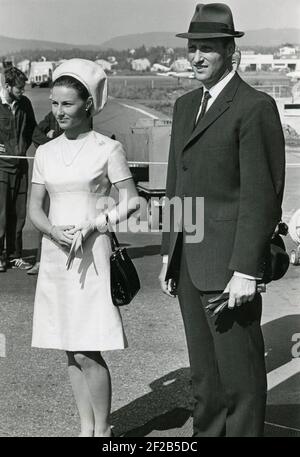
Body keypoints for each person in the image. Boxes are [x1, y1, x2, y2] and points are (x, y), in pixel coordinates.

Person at [159, 3, 285, 437]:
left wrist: (246, 269)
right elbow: (179, 182)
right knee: (204, 379)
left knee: (241, 379)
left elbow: (261, 197)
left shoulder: (254, 106)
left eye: (207, 48)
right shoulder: (183, 106)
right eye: (193, 47)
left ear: (229, 50)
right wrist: (168, 254)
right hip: (190, 264)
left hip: (232, 269)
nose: (196, 56)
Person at [29, 58, 139, 437]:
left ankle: (103, 430)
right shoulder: (44, 152)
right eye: (54, 104)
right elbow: (34, 211)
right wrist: (54, 232)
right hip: (56, 255)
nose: (58, 112)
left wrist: (95, 224)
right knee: (68, 347)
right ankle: (84, 428)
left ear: (87, 105)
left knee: (88, 348)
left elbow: (132, 201)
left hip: (92, 256)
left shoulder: (108, 148)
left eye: (67, 104)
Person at [0, 66, 36, 272]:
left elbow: (32, 129)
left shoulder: (25, 104)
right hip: (1, 167)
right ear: (7, 86)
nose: (23, 91)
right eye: (19, 88)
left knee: (19, 212)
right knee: (1, 213)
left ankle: (15, 255)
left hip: (21, 165)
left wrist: (51, 145)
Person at [27, 112, 63, 275]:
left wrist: (54, 135)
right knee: (45, 214)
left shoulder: (83, 115)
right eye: (56, 103)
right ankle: (40, 260)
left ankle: (62, 260)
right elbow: (36, 134)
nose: (60, 110)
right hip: (52, 173)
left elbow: (72, 138)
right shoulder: (51, 116)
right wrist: (53, 141)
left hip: (70, 174)